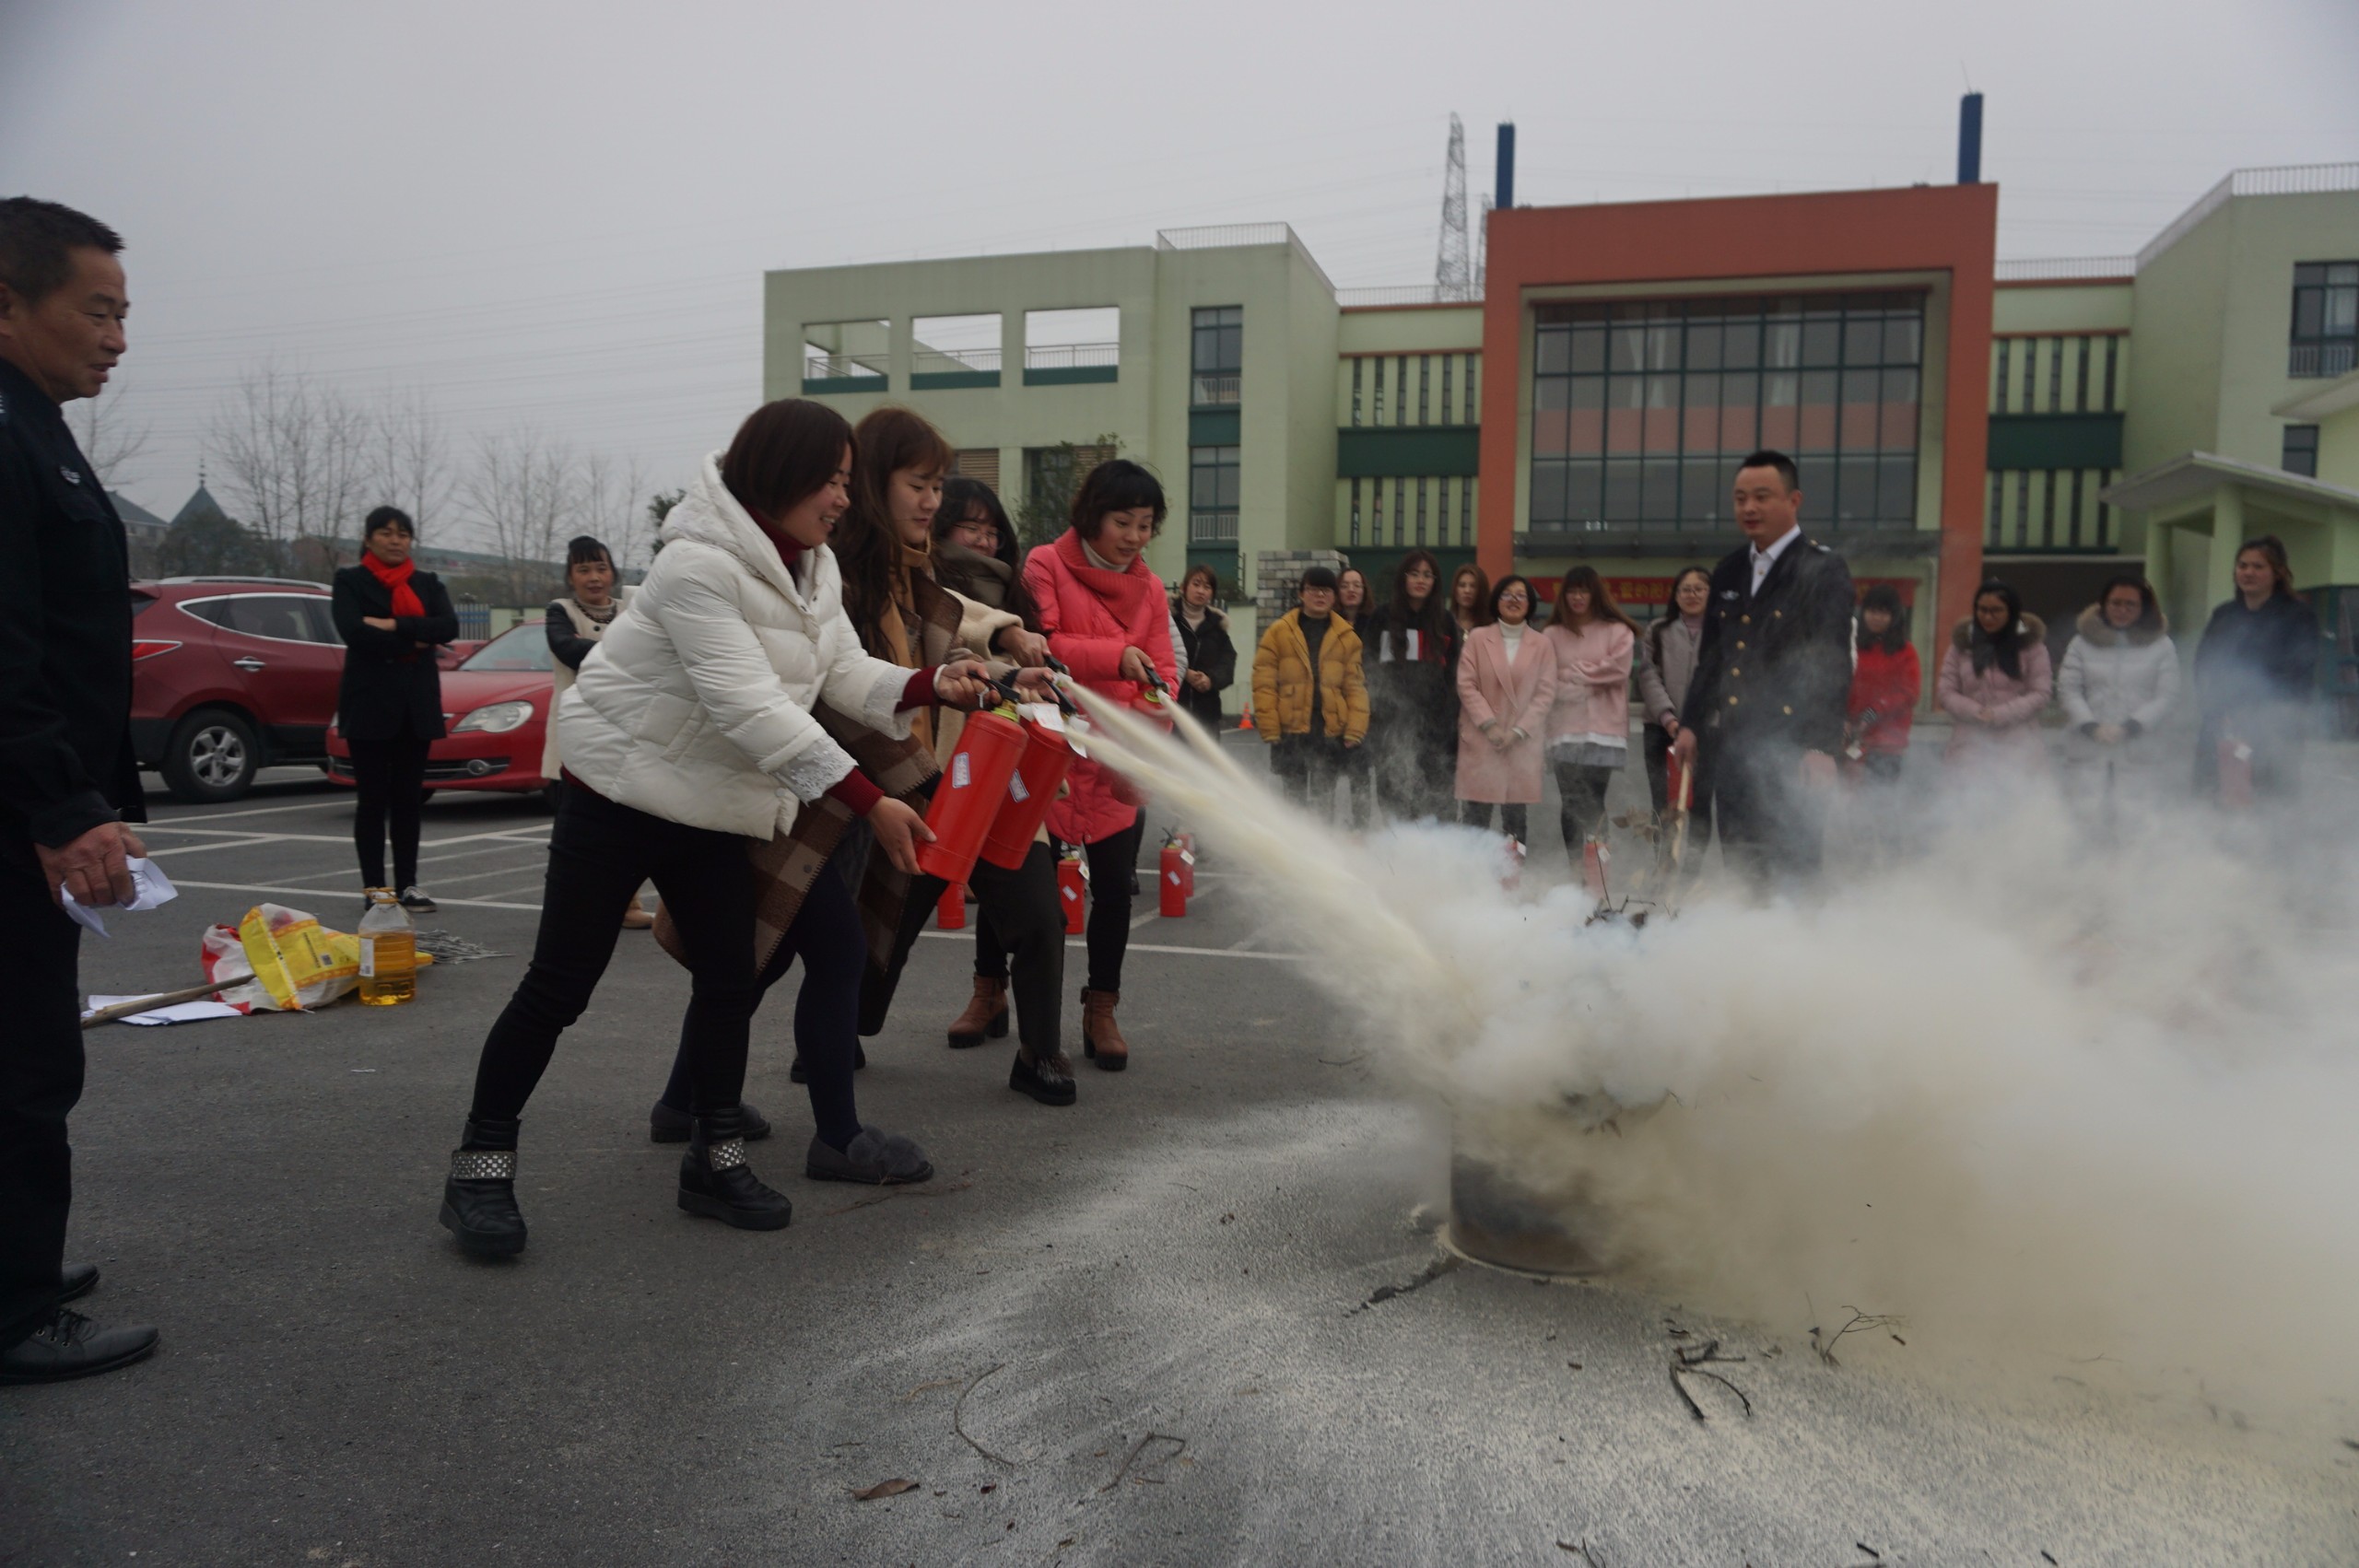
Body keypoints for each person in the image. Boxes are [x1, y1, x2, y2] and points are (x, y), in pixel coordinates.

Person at [440, 400, 977, 1258]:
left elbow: (840, 669)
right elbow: (749, 706)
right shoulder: (696, 565)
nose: (843, 498)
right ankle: (479, 1169)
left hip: (714, 805)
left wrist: (928, 687)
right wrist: (870, 799)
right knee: (560, 986)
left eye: (847, 480)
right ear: (778, 475)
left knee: (731, 980)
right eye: (829, 480)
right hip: (617, 795)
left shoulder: (813, 569)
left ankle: (714, 1163)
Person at [0, 196, 158, 1384]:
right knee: (25, 1059)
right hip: (15, 808)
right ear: (10, 305)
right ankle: (15, 1313)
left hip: (37, 797)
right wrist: (61, 807)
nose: (115, 336)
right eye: (94, 310)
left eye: (123, 313)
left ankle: (22, 1265)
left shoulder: (37, 423)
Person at [910, 476, 1076, 1105]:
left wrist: (1035, 687)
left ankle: (1040, 1051)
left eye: (991, 529)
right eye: (968, 526)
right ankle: (841, 1031)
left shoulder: (1018, 599)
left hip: (1001, 777)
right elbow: (952, 619)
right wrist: (1006, 636)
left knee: (1040, 915)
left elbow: (1022, 669)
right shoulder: (916, 578)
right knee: (882, 925)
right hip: (926, 779)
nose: (983, 539)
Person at [1024, 458, 1179, 1071]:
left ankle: (1102, 1006)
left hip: (1118, 754)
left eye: (1146, 525)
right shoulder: (1045, 564)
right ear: (1091, 515)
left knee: (1114, 889)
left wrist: (1151, 723)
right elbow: (1045, 644)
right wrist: (1120, 657)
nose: (1136, 537)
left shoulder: (1153, 588)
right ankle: (989, 992)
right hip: (1052, 745)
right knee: (1022, 881)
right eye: (1123, 521)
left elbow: (1161, 671)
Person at [1672, 450, 1857, 886]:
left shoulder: (1822, 568)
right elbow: (1714, 656)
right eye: (1739, 499)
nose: (1749, 508)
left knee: (1794, 866)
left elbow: (1831, 661)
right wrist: (1691, 723)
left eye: (1762, 496)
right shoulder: (1730, 569)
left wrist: (1820, 745)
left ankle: (1798, 952)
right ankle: (1750, 950)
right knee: (1741, 864)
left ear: (1794, 500)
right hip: (1734, 746)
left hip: (1793, 748)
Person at [334, 506, 458, 913]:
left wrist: (391, 625)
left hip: (415, 706)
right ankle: (375, 889)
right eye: (385, 532)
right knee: (372, 801)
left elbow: (448, 627)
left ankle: (408, 884)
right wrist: (417, 639)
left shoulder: (426, 582)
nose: (395, 540)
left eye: (403, 533)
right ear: (368, 539)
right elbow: (355, 633)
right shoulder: (350, 580)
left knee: (408, 800)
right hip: (369, 705)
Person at [545, 534, 651, 930]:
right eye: (584, 569)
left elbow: (651, 651)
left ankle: (627, 905)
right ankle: (569, 908)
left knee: (626, 822)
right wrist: (621, 651)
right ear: (571, 575)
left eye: (601, 568)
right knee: (575, 829)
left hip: (623, 730)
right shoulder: (560, 611)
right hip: (575, 734)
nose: (594, 577)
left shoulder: (631, 608)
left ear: (613, 572)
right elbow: (566, 649)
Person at [2192, 535, 2318, 803]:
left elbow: (2298, 673)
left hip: (2273, 729)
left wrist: (2253, 712)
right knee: (2214, 800)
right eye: (2242, 565)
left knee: (2268, 802)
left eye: (2258, 567)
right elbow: (2204, 666)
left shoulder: (2298, 616)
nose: (2248, 572)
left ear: (2278, 573)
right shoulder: (2224, 615)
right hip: (2221, 726)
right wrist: (2217, 708)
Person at [2057, 574, 2177, 829]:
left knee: (2135, 823)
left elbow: (2167, 696)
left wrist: (2131, 726)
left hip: (2137, 746)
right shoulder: (2081, 643)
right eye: (2115, 603)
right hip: (2088, 745)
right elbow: (2068, 689)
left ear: (2143, 608)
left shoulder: (2161, 646)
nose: (2122, 610)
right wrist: (2090, 726)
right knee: (2084, 820)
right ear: (2103, 605)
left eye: (2130, 604)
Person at [1250, 566, 1368, 816]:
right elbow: (1264, 682)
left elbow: (1355, 686)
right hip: (1290, 731)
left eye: (1326, 590)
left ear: (1334, 596)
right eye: (1313, 589)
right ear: (1302, 594)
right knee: (1292, 802)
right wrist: (1270, 726)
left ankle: (1320, 853)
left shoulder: (1347, 637)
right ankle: (1292, 853)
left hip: (1329, 731)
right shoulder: (1278, 632)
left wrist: (1355, 729)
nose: (1320, 595)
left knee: (1325, 801)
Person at [1541, 566, 1638, 860]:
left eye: (1584, 590)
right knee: (1570, 801)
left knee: (1595, 803)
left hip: (1603, 730)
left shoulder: (1617, 631)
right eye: (1572, 591)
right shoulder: (1551, 634)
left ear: (1595, 593)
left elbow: (1619, 670)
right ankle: (1574, 870)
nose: (1578, 597)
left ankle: (1598, 872)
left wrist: (1573, 675)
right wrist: (1593, 680)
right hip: (1563, 730)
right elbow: (1547, 681)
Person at [1454, 576, 1555, 844]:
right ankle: (1473, 878)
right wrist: (1490, 725)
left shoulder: (1542, 644)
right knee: (1476, 817)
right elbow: (1466, 684)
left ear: (1530, 604)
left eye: (1521, 595)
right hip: (1481, 737)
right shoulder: (1477, 638)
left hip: (1519, 743)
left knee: (1515, 820)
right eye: (1507, 595)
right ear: (1496, 601)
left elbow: (1545, 693)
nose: (1514, 600)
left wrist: (1518, 731)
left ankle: (1512, 880)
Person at [1360, 548, 1460, 821]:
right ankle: (1398, 860)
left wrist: (1451, 727)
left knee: (1438, 803)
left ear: (1435, 582)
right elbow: (1366, 669)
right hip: (1390, 728)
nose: (1421, 580)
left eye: (1428, 575)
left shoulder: (1446, 622)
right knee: (1394, 802)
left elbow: (1453, 678)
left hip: (1435, 732)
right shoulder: (1381, 618)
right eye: (1414, 573)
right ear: (1402, 579)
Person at [1937, 579, 2051, 772]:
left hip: (2019, 747)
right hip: (1969, 746)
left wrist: (2000, 714)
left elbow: (2041, 693)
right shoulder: (1961, 646)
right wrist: (1975, 711)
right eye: (1982, 610)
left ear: (2012, 611)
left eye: (1996, 610)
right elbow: (1946, 691)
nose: (1988, 617)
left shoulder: (2032, 647)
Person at [1636, 567, 1711, 813]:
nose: (1693, 595)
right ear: (1676, 596)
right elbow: (1648, 676)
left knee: (1700, 805)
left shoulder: (1722, 632)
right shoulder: (1658, 630)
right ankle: (1664, 854)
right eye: (1686, 590)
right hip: (1661, 729)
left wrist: (1699, 720)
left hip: (1707, 730)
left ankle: (1693, 854)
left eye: (1699, 589)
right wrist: (1668, 719)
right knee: (1663, 803)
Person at [1846, 583, 1920, 784]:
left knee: (1879, 803)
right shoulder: (1852, 646)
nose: (1876, 618)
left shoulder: (1905, 651)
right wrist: (1843, 717)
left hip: (1887, 744)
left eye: (1883, 613)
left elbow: (1909, 693)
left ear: (1894, 617)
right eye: (1872, 611)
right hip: (1849, 739)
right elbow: (1841, 683)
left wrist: (1875, 712)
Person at [1333, 567, 1378, 826]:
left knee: (1360, 776)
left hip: (1364, 710)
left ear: (1364, 591)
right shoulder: (1328, 622)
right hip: (1332, 709)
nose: (1351, 590)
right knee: (1326, 776)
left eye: (1357, 585)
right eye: (1345, 585)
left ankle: (1359, 831)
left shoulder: (1373, 624)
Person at [1171, 565, 1237, 729]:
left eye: (1207, 587)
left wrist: (1210, 680)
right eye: (1196, 584)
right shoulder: (1168, 619)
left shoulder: (1217, 627)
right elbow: (1155, 655)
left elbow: (1227, 664)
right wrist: (1182, 672)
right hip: (1171, 711)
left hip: (1207, 715)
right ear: (1183, 587)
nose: (1201, 591)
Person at [1448, 562, 1493, 639]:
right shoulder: (1445, 624)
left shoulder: (1491, 626)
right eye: (1462, 585)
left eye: (1473, 586)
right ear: (1455, 589)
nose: (1467, 591)